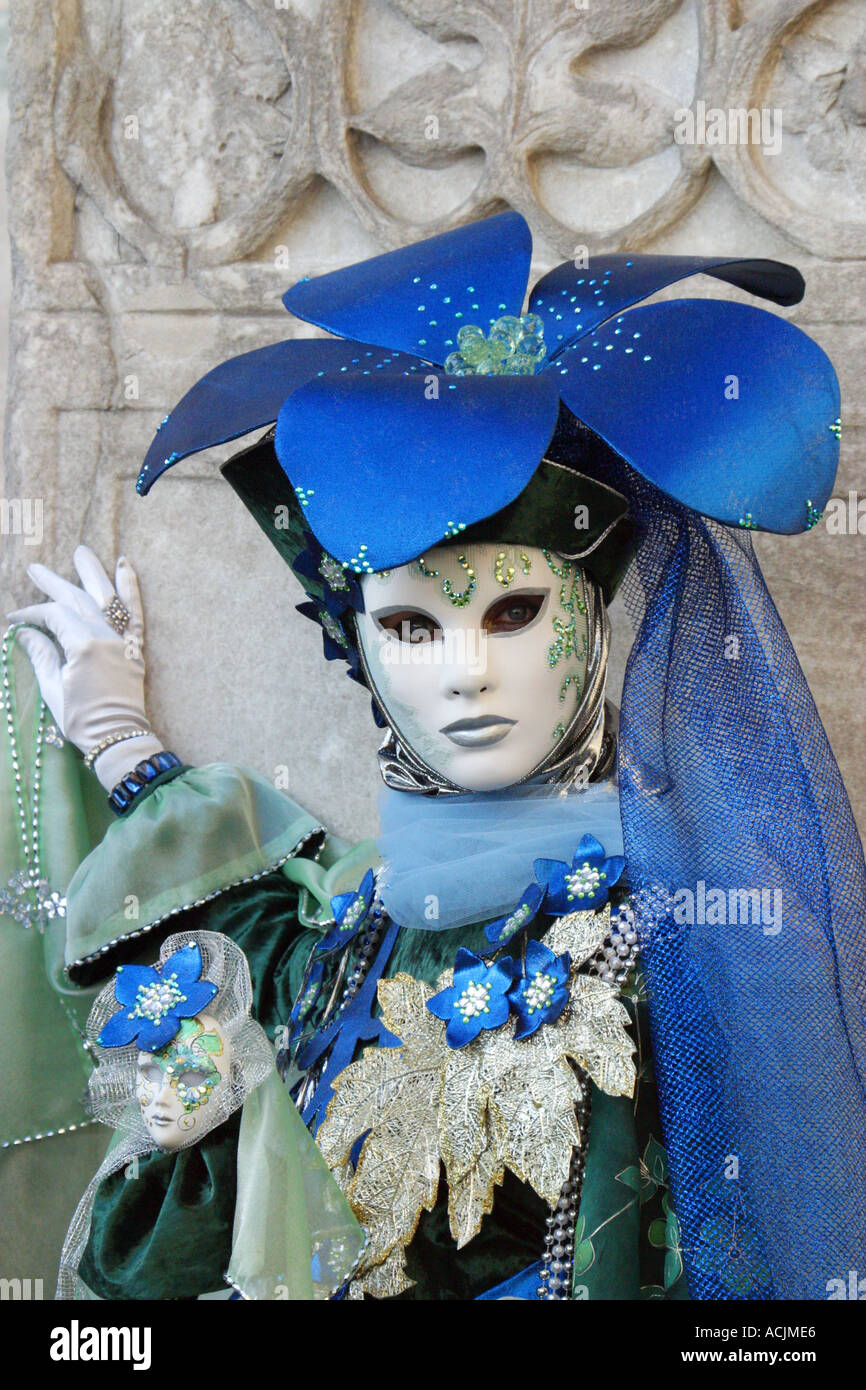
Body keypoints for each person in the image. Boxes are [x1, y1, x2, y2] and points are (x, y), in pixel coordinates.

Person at [6, 212, 865, 1300]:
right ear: (356, 642)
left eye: (512, 612)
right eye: (412, 627)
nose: (464, 672)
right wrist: (114, 733)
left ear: (594, 620)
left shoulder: (695, 939)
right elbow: (240, 922)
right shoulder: (346, 925)